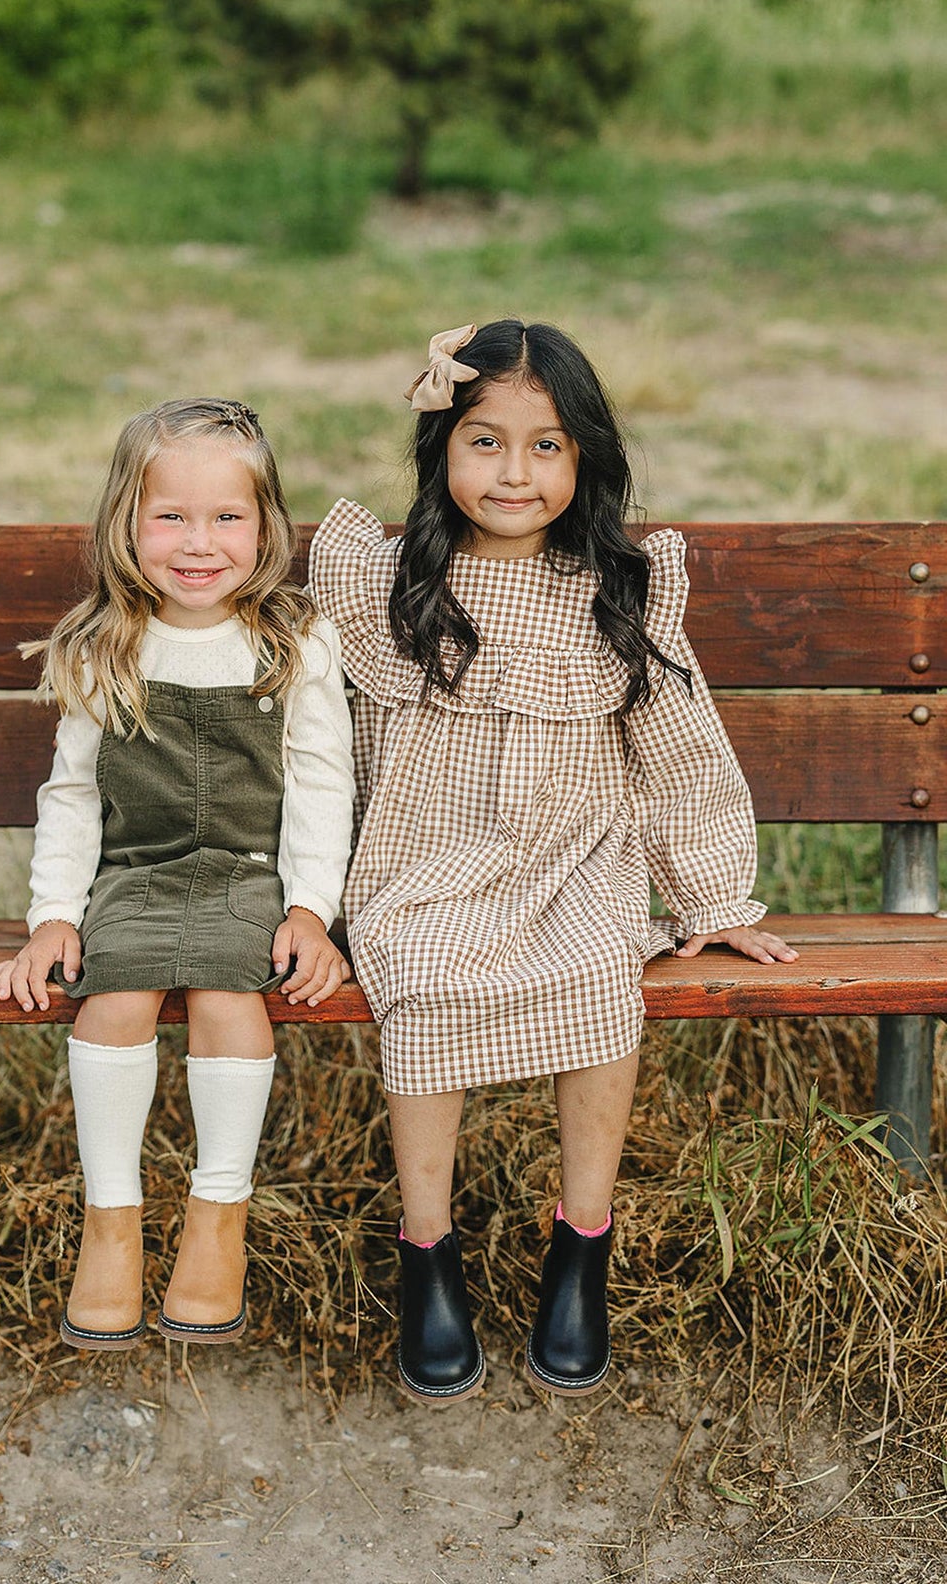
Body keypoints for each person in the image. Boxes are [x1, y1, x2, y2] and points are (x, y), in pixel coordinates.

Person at [309, 320, 796, 1406]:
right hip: (422, 861)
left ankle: (582, 1244)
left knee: (599, 972)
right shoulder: (387, 586)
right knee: (422, 976)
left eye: (546, 447)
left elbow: (681, 752)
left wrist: (711, 894)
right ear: (441, 448)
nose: (514, 474)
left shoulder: (613, 592)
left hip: (575, 856)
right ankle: (427, 1249)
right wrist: (300, 893)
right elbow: (311, 741)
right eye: (484, 441)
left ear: (586, 459)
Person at [0, 399, 354, 1352]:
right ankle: (110, 1222)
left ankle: (217, 1214)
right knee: (113, 995)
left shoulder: (295, 641)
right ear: (128, 521)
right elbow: (72, 795)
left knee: (232, 995)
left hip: (248, 876)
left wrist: (311, 910)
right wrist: (54, 915)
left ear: (266, 526)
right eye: (171, 517)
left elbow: (322, 785)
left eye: (228, 516)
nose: (199, 543)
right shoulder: (103, 642)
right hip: (136, 875)